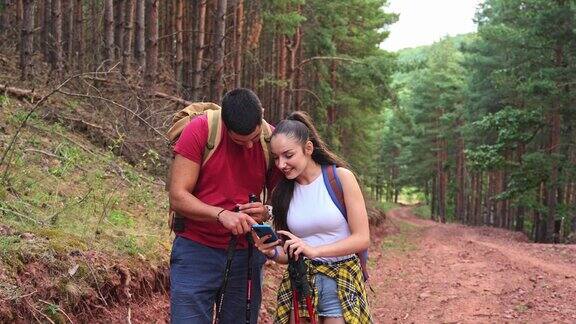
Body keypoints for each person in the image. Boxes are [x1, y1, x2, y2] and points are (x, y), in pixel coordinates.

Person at [169, 88, 280, 323]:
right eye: (241, 141)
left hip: (246, 254)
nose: (249, 146)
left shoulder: (271, 139)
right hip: (195, 250)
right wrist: (221, 215)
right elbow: (178, 196)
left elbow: (283, 199)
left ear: (260, 115)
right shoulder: (201, 130)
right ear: (225, 125)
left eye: (253, 138)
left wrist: (266, 210)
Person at [253, 111, 372, 324]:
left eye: (288, 155)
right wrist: (272, 251)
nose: (281, 164)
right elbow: (291, 253)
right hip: (301, 281)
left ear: (308, 149)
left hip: (341, 280)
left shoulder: (340, 178)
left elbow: (362, 238)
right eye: (276, 157)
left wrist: (316, 251)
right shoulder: (282, 192)